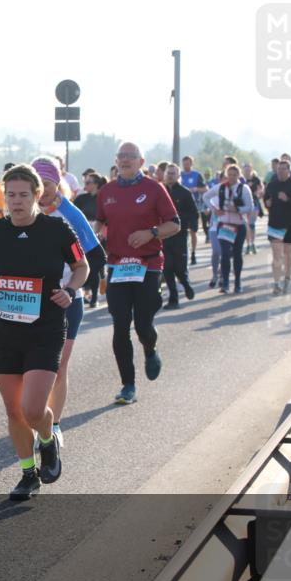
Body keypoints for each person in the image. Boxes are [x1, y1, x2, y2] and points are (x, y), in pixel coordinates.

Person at [0, 164, 88, 500]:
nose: (15, 202)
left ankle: (47, 442)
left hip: (45, 329)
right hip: (5, 331)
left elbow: (82, 267)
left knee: (33, 409)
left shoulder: (57, 229)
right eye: (10, 195)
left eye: (22, 195)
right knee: (13, 411)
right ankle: (27, 475)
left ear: (36, 195)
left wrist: (71, 290)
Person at [96, 143, 180, 405]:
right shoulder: (107, 191)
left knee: (143, 324)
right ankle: (128, 385)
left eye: (130, 157)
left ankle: (150, 348)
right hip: (118, 266)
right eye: (120, 156)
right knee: (120, 325)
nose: (124, 160)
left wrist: (151, 233)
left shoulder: (155, 188)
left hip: (148, 264)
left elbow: (174, 225)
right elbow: (100, 220)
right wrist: (97, 232)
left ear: (141, 161)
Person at [30, 158, 102, 443]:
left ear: (57, 183)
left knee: (58, 366)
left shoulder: (69, 214)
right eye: (38, 186)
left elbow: (96, 257)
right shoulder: (24, 214)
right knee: (31, 368)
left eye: (47, 184)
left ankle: (54, 425)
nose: (42, 191)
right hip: (30, 303)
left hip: (66, 301)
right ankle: (38, 417)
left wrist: (73, 286)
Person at [203, 165, 254, 294]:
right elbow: (205, 196)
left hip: (239, 225)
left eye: (234, 175)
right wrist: (214, 209)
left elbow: (250, 206)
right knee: (225, 253)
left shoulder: (244, 189)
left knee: (237, 254)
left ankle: (237, 282)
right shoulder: (221, 187)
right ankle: (225, 283)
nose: (231, 177)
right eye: (229, 174)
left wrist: (238, 209)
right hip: (224, 224)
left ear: (238, 175)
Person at [263, 159, 291, 295]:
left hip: (290, 224)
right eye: (279, 169)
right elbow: (266, 200)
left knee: (287, 254)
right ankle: (276, 283)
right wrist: (267, 203)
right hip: (274, 223)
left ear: (289, 171)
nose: (280, 171)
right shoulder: (271, 185)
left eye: (283, 169)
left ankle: (287, 278)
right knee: (277, 255)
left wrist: (288, 199)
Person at [161, 164, 197, 307]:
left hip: (180, 234)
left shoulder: (185, 193)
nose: (170, 176)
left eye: (173, 173)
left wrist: (190, 225)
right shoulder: (160, 191)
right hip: (163, 235)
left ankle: (186, 284)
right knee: (167, 267)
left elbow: (193, 213)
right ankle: (173, 299)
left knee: (180, 267)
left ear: (178, 176)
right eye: (168, 173)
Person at [74, 173, 106, 307]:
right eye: (85, 183)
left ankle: (94, 297)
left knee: (95, 266)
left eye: (88, 183)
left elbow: (106, 216)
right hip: (81, 235)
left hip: (98, 234)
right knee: (82, 264)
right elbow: (73, 215)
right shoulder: (81, 198)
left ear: (96, 184)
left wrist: (102, 231)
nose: (85, 185)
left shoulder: (102, 198)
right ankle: (83, 293)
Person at [180, 156, 207, 260]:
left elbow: (205, 189)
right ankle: (183, 253)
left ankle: (193, 253)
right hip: (181, 208)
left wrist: (195, 189)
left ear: (191, 164)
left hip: (193, 207)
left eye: (188, 164)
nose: (186, 166)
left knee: (193, 231)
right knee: (182, 231)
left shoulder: (197, 175)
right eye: (184, 164)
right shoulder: (180, 175)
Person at [241, 163, 264, 255]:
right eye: (245, 169)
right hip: (244, 203)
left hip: (254, 203)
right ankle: (248, 244)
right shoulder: (242, 180)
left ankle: (253, 243)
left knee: (251, 224)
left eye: (248, 169)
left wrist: (259, 192)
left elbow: (261, 188)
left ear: (251, 169)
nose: (247, 171)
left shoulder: (256, 179)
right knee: (246, 225)